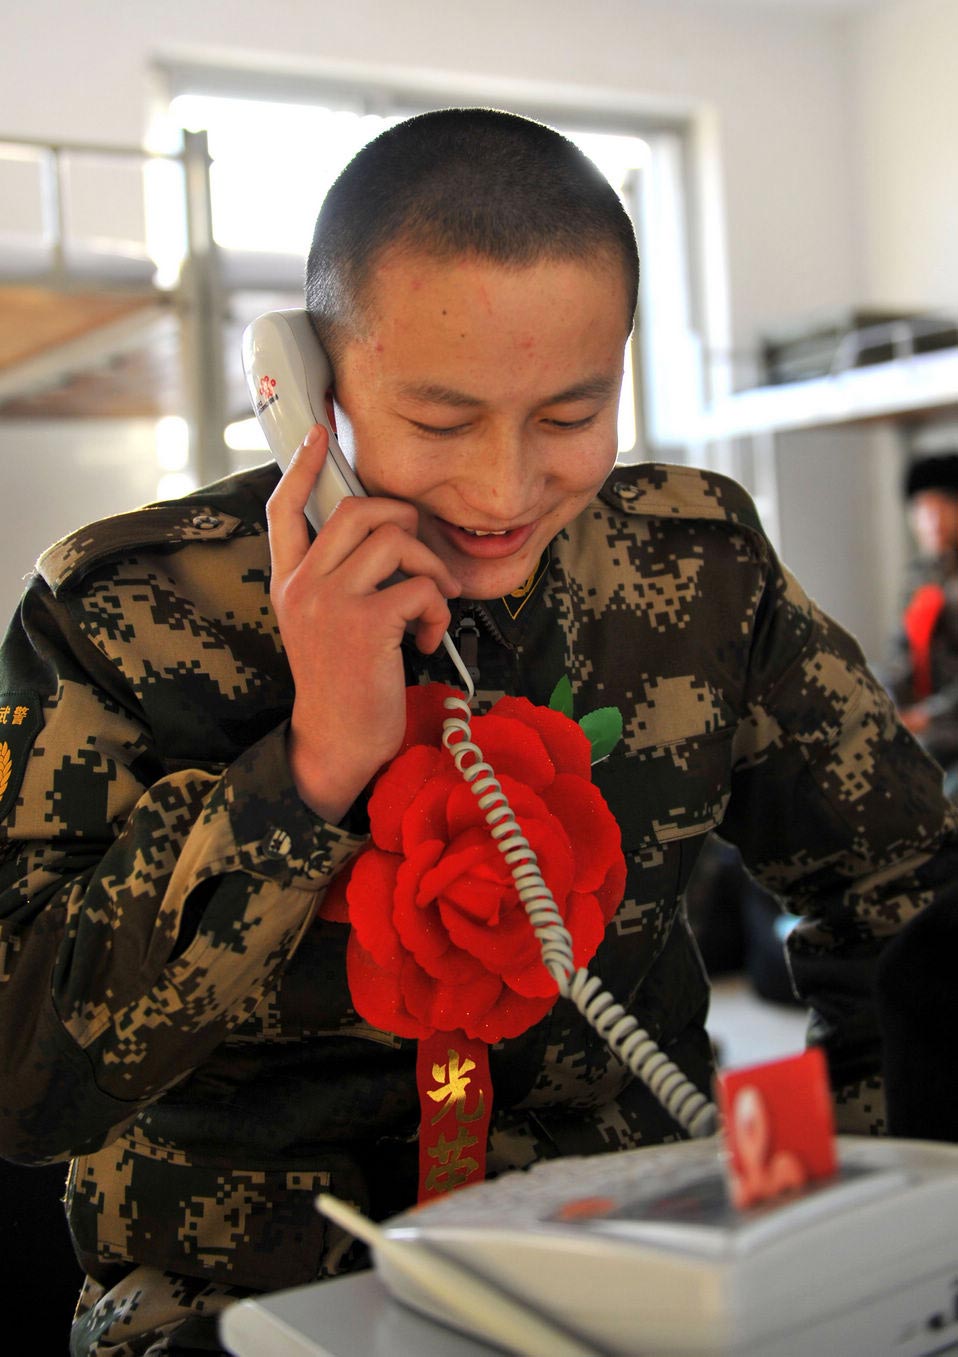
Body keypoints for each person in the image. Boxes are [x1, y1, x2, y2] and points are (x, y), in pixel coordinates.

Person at [1, 108, 955, 1355]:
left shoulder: (700, 567)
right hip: (242, 1307)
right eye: (440, 423)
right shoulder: (120, 614)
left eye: (571, 416)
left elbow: (903, 905)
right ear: (306, 391)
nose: (504, 493)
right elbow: (25, 1078)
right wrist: (309, 770)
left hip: (644, 1268)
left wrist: (842, 1224)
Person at [883, 452, 958, 795]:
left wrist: (926, 716)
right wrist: (888, 706)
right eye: (921, 509)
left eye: (942, 506)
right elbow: (901, 657)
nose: (932, 520)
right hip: (928, 727)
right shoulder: (921, 578)